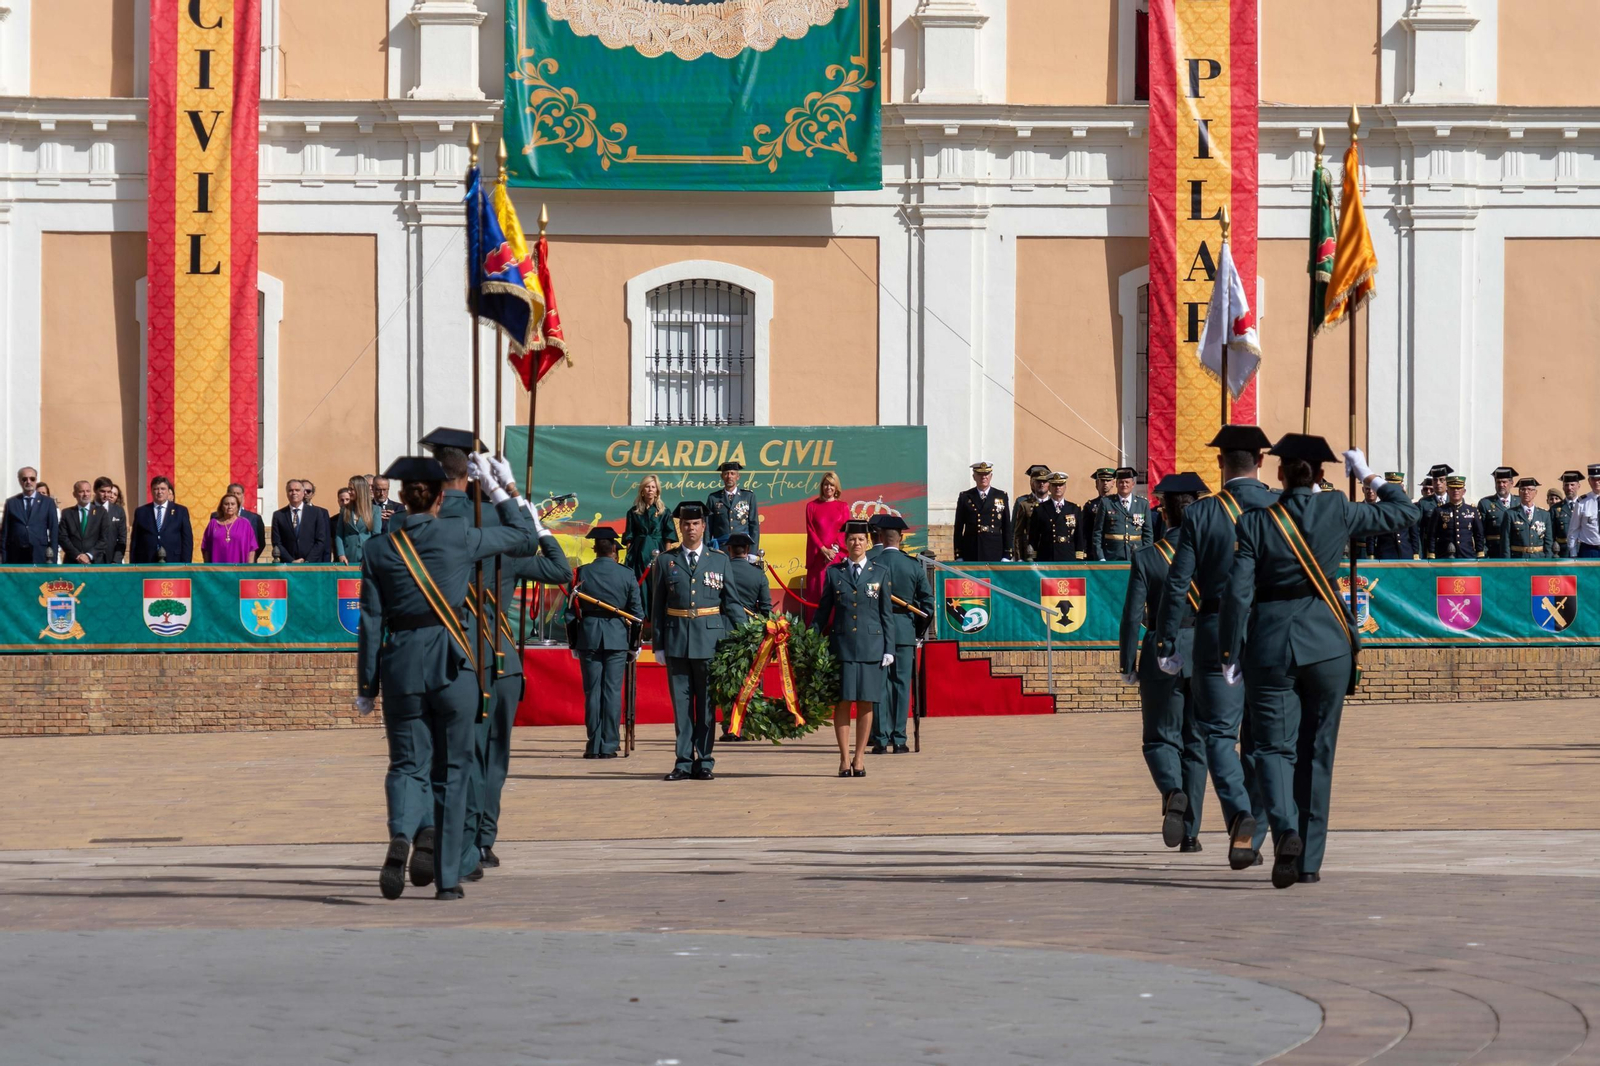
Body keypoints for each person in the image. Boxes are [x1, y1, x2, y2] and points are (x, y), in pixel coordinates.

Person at [1219, 435, 1419, 889]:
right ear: (1326, 475)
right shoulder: (1338, 510)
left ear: (1279, 474)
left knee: (1272, 749)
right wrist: (1368, 474)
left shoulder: (1255, 522)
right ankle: (1308, 860)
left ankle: (1285, 829)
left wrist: (1230, 651)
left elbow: (1238, 592)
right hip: (1327, 645)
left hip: (1270, 645)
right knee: (1318, 752)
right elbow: (1407, 513)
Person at [356, 453, 539, 901]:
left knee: (406, 765)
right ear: (440, 498)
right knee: (454, 770)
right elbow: (523, 536)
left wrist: (366, 686)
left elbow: (370, 620)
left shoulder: (377, 548)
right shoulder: (458, 534)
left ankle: (403, 833)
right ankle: (448, 879)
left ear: (400, 498)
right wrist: (502, 489)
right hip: (453, 663)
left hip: (401, 664)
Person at [424, 428, 569, 876]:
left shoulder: (428, 522)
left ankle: (456, 845)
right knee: (493, 759)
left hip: (450, 656)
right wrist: (517, 501)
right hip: (500, 658)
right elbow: (559, 567)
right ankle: (483, 840)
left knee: (451, 757)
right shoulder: (503, 531)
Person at [1153, 425, 1272, 870]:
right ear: (1260, 462)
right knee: (1265, 740)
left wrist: (1166, 640)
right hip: (1271, 629)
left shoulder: (1203, 514)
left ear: (1220, 464)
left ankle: (1238, 812)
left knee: (1219, 735)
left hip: (1215, 628)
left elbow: (1178, 582)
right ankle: (1252, 833)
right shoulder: (1281, 505)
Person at [1120, 472, 1208, 852]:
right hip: (1205, 651)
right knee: (1196, 745)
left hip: (1161, 649)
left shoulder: (1146, 556)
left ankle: (1172, 791)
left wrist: (1127, 662)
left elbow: (1131, 614)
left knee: (1159, 739)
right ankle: (1190, 834)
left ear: (1164, 514)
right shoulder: (1215, 555)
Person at [652, 501, 737, 781]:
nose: (691, 528)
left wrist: (748, 637)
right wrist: (659, 644)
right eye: (686, 524)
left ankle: (706, 761)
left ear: (703, 526)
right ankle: (683, 761)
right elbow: (657, 605)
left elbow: (732, 603)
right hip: (677, 640)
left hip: (711, 641)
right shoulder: (666, 561)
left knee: (706, 706)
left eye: (695, 523)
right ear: (680, 527)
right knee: (682, 705)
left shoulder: (719, 559)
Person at [814, 519, 895, 777]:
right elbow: (823, 611)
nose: (856, 543)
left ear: (868, 542)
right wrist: (810, 639)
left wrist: (889, 649)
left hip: (872, 646)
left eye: (861, 539)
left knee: (866, 703)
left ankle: (859, 758)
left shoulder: (879, 572)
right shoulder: (834, 573)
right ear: (845, 543)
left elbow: (886, 615)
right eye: (851, 539)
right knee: (842, 702)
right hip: (843, 646)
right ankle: (844, 758)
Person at [569, 527, 643, 759]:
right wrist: (634, 644)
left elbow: (570, 612)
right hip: (617, 637)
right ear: (614, 549)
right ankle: (609, 744)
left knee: (592, 692)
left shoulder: (582, 572)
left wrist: (573, 642)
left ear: (594, 548)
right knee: (611, 692)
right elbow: (637, 613)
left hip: (589, 635)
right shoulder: (627, 574)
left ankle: (594, 744)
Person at [865, 514, 933, 755]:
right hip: (904, 630)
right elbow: (928, 604)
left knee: (880, 686)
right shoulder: (912, 565)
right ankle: (900, 739)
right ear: (901, 538)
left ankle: (881, 740)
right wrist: (916, 631)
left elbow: (866, 601)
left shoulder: (872, 564)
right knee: (902, 685)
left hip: (878, 632)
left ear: (880, 537)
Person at [624, 474, 676, 614]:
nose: (650, 490)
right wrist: (630, 557)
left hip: (658, 550)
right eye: (647, 486)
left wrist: (666, 557)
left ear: (657, 491)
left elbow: (668, 537)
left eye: (653, 487)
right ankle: (640, 619)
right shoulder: (633, 512)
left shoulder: (665, 512)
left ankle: (656, 618)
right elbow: (629, 536)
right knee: (639, 585)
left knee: (657, 584)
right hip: (638, 553)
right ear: (642, 489)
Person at [803, 472, 850, 616]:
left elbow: (845, 530)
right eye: (826, 484)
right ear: (822, 486)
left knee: (835, 594)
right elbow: (811, 531)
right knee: (816, 595)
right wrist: (824, 550)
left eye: (832, 484)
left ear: (836, 487)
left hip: (835, 557)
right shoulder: (812, 506)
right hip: (818, 558)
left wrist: (834, 550)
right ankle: (814, 635)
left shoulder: (843, 506)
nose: (828, 487)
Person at [953, 461, 1011, 562]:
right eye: (979, 474)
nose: (983, 477)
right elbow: (958, 528)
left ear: (991, 476)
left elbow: (1006, 527)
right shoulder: (965, 497)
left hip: (994, 549)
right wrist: (959, 554)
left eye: (986, 474)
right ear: (974, 476)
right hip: (971, 550)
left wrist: (1007, 554)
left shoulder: (1001, 496)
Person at [1, 467, 58, 565]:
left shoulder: (48, 502)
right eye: (24, 479)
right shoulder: (11, 503)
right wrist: (4, 558)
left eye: (32, 478)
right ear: (19, 481)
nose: (28, 482)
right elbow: (5, 532)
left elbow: (54, 531)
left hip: (40, 553)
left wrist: (53, 558)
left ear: (36, 480)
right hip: (15, 555)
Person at [1093, 467, 1153, 561]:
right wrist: (1101, 557)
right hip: (1112, 555)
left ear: (1133, 484)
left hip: (1136, 555)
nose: (1124, 485)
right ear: (1116, 484)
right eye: (1121, 482)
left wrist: (1146, 556)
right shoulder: (1106, 502)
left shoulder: (1143, 504)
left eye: (1127, 482)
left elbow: (1148, 534)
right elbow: (1097, 532)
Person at [130, 476, 193, 564]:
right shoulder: (141, 512)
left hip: (173, 561)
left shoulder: (181, 511)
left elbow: (187, 540)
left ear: (168, 491)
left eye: (163, 489)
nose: (159, 492)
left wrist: (186, 564)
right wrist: (133, 565)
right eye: (156, 489)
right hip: (147, 561)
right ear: (151, 491)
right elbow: (135, 541)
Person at [271, 479, 331, 563]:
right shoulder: (279, 515)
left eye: (297, 490)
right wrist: (291, 561)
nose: (294, 493)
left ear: (303, 493)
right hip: (288, 565)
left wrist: (308, 561)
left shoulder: (316, 513)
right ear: (287, 494)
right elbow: (277, 542)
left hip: (312, 564)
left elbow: (320, 540)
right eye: (290, 490)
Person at [1029, 472, 1085, 561]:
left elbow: (1079, 535)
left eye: (1060, 485)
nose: (1058, 488)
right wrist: (1033, 556)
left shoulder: (1074, 509)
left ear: (1065, 487)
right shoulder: (1040, 509)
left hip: (1068, 554)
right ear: (1049, 487)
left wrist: (1079, 556)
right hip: (1047, 555)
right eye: (1054, 485)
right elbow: (1034, 536)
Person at [706, 461, 760, 553]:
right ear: (722, 476)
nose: (729, 476)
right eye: (726, 474)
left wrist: (753, 552)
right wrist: (706, 551)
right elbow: (707, 527)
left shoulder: (748, 496)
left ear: (738, 477)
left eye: (732, 473)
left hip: (742, 548)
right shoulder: (713, 498)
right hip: (721, 549)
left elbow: (754, 526)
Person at [1426, 476, 1484, 560]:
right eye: (1452, 488)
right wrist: (1431, 554)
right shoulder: (1439, 510)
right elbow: (1432, 534)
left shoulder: (1472, 511)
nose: (1455, 491)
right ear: (1447, 491)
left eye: (1458, 488)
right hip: (1444, 555)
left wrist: (1480, 552)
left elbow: (1479, 534)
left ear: (1464, 491)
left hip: (1467, 554)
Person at [1365, 473, 1420, 559]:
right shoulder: (1378, 507)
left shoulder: (1408, 507)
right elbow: (1371, 535)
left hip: (1405, 552)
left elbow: (1414, 533)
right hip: (1385, 553)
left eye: (1397, 486)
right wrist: (1371, 553)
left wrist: (1416, 552)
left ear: (1401, 487)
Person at [58, 481, 112, 565]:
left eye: (88, 491)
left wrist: (89, 555)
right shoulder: (67, 513)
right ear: (74, 494)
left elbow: (104, 538)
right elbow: (63, 538)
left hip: (94, 562)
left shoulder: (101, 512)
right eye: (81, 491)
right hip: (73, 562)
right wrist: (78, 555)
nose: (85, 494)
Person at [200, 492, 260, 563]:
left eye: (233, 504)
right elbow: (206, 547)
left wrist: (248, 569)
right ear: (221, 507)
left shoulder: (245, 524)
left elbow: (252, 549)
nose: (229, 507)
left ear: (237, 506)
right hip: (216, 569)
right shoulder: (213, 523)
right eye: (226, 504)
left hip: (239, 570)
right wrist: (208, 568)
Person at [1505, 477, 1554, 559]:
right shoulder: (1510, 514)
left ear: (1535, 492)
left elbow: (1548, 541)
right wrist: (1507, 563)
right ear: (1519, 492)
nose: (1526, 492)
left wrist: (1548, 560)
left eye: (1530, 489)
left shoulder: (1544, 515)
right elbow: (1505, 541)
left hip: (1539, 558)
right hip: (1518, 558)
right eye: (1523, 489)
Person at [1477, 466, 1518, 559]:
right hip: (1494, 551)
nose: (1501, 485)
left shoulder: (1519, 502)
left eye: (1504, 482)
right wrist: (1483, 551)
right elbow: (1480, 531)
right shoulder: (1485, 503)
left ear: (1511, 483)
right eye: (1498, 482)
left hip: (1515, 552)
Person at [1012, 465, 1051, 562]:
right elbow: (1016, 532)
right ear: (1032, 483)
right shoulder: (1023, 503)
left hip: (1049, 551)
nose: (1041, 484)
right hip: (1029, 553)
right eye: (1037, 481)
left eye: (1044, 481)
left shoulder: (1054, 503)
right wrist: (1018, 556)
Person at [334, 477, 377, 566]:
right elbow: (339, 534)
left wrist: (369, 557)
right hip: (347, 558)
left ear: (360, 490)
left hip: (366, 558)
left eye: (351, 489)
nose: (349, 491)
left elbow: (376, 537)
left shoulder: (375, 510)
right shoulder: (345, 509)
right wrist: (341, 555)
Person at [227, 482, 266, 562]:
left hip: (246, 563)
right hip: (224, 563)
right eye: (232, 493)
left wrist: (250, 558)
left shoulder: (254, 518)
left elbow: (260, 543)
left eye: (238, 493)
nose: (235, 496)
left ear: (243, 496)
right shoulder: (216, 518)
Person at [1568, 464, 1600, 558]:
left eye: (1599, 479)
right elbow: (1573, 529)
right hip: (1589, 550)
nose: (1597, 482)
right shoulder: (1582, 502)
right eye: (1593, 479)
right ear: (1589, 481)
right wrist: (1573, 553)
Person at [95, 478, 128, 563]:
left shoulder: (118, 511)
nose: (106, 495)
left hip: (112, 561)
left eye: (109, 492)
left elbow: (122, 538)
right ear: (95, 490)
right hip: (93, 562)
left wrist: (116, 561)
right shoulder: (88, 509)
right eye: (102, 491)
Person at [1082, 468, 1116, 550]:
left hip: (1114, 548)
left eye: (1108, 480)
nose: (1105, 483)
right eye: (1102, 480)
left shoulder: (1117, 504)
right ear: (1097, 483)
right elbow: (1085, 531)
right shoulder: (1090, 506)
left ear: (1113, 483)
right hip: (1095, 548)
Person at [1553, 471, 1584, 556]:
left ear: (1578, 486)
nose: (1569, 488)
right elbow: (1551, 534)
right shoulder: (1555, 508)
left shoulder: (1584, 505)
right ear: (1563, 487)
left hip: (1581, 550)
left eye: (1572, 485)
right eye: (1566, 485)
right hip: (1563, 552)